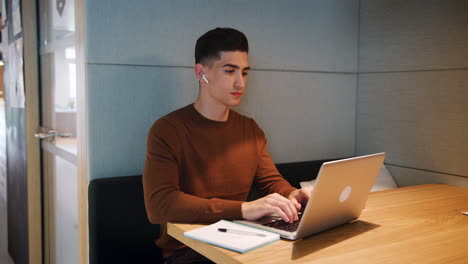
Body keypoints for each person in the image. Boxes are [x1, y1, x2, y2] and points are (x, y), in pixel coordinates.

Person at [143, 27, 313, 264]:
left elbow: (270, 182)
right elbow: (160, 205)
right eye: (230, 71)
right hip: (189, 250)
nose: (240, 82)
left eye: (244, 72)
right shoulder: (168, 130)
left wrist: (293, 194)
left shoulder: (250, 130)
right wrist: (244, 209)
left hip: (245, 240)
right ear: (202, 73)